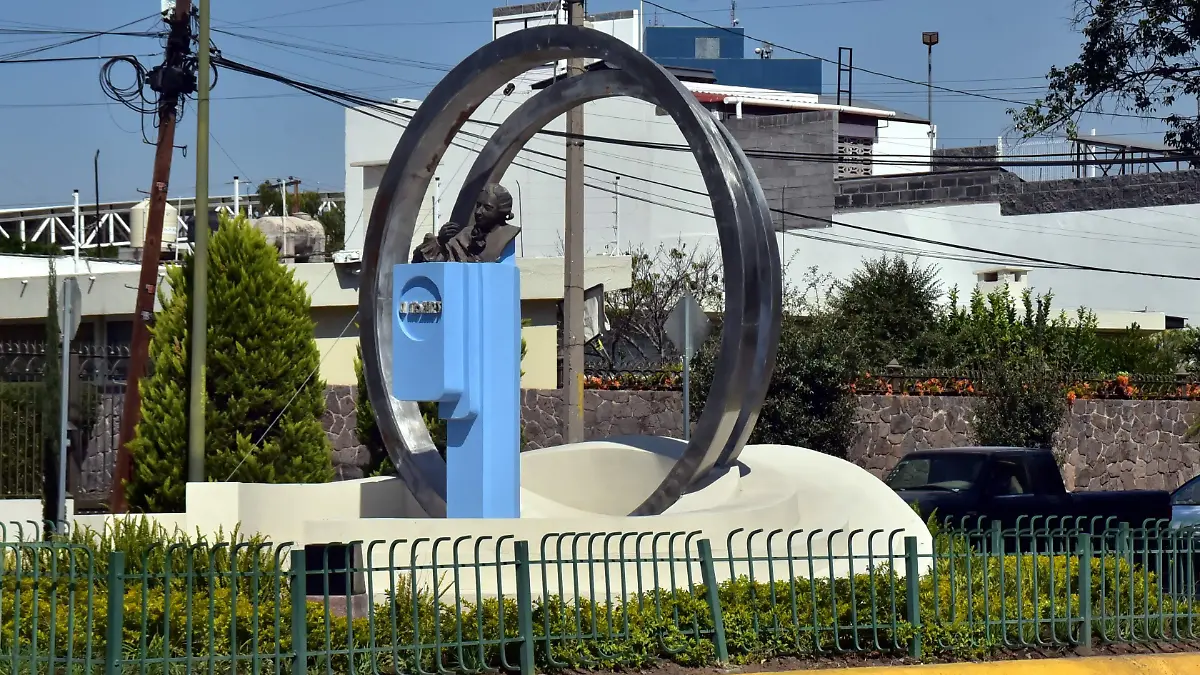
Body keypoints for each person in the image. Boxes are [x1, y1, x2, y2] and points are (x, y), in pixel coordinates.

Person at [411, 183, 521, 263]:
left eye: (487, 208)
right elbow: (419, 260)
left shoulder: (508, 234)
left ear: (501, 212)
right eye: (478, 205)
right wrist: (440, 242)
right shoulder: (465, 235)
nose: (478, 212)